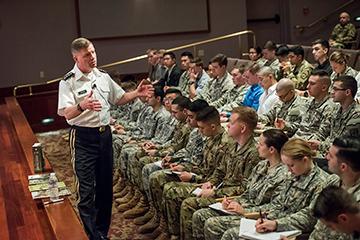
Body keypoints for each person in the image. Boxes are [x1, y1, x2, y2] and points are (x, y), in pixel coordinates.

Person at [57, 37, 153, 240]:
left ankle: (101, 232)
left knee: (104, 188)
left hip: (104, 136)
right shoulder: (68, 82)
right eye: (86, 55)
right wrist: (82, 105)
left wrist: (136, 93)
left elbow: (118, 98)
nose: (92, 57)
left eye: (93, 52)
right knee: (85, 190)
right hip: (83, 138)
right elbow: (66, 113)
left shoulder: (102, 76)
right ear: (75, 58)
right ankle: (92, 235)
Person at [205, 138, 329, 240]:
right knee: (213, 224)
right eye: (286, 165)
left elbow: (309, 217)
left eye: (291, 165)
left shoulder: (322, 182)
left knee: (231, 234)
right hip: (272, 221)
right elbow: (275, 205)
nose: (289, 170)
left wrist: (276, 224)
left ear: (305, 160)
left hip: (291, 230)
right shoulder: (293, 175)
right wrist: (258, 217)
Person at [179, 106, 260, 240]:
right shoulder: (232, 145)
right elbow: (220, 171)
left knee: (189, 205)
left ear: (243, 128)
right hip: (220, 190)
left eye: (232, 122)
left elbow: (245, 188)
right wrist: (211, 183)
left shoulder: (253, 154)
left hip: (231, 197)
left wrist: (215, 193)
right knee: (185, 196)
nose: (227, 125)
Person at [191, 129, 288, 240]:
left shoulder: (284, 175)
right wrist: (232, 202)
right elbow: (247, 193)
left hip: (257, 216)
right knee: (200, 215)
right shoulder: (261, 166)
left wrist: (245, 211)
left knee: (212, 224)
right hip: (243, 208)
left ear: (271, 149)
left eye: (261, 145)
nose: (257, 147)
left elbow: (275, 207)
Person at [308, 136, 360, 240]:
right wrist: (278, 223)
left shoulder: (357, 201)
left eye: (330, 156)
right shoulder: (332, 181)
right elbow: (312, 214)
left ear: (343, 167)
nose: (326, 157)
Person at [309, 75, 360, 156]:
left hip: (343, 158)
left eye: (335, 89)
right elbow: (322, 132)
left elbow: (343, 145)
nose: (332, 92)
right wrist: (310, 142)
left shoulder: (357, 115)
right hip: (328, 152)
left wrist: (320, 145)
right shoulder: (335, 109)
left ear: (347, 92)